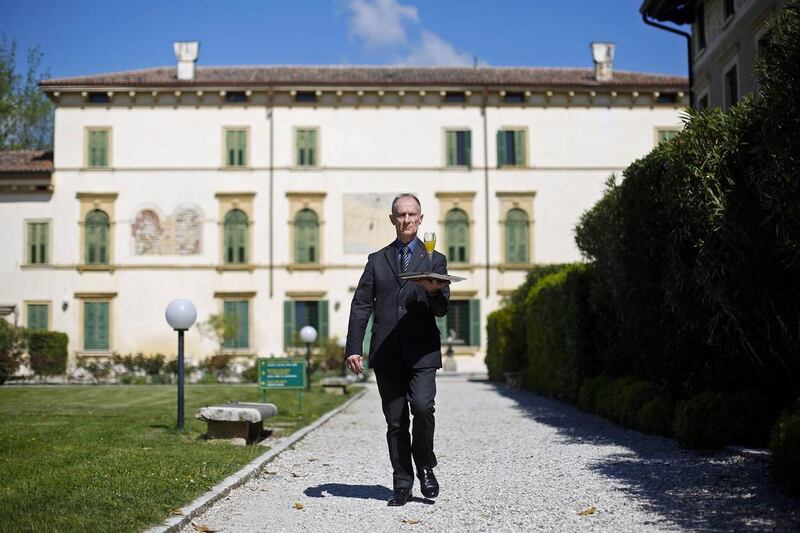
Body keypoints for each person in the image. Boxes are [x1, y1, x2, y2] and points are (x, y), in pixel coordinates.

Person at [345, 193, 450, 507]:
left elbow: (442, 308)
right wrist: (354, 347)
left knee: (422, 407)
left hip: (422, 352)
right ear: (392, 219)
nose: (406, 220)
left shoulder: (436, 259)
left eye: (412, 214)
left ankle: (426, 467)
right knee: (395, 422)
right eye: (400, 215)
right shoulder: (377, 260)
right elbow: (362, 304)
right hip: (387, 352)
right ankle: (402, 483)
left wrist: (433, 294)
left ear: (421, 219)